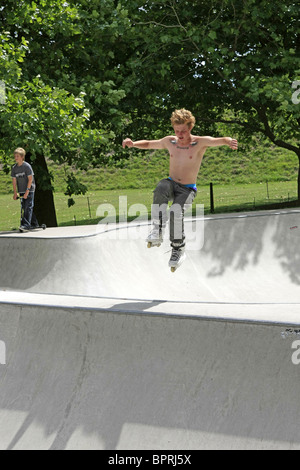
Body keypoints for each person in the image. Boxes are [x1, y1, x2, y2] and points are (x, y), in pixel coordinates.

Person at [122, 109, 238, 270]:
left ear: (190, 127)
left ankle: (178, 249)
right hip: (171, 184)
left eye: (183, 131)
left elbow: (218, 140)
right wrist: (133, 144)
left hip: (187, 190)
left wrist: (229, 141)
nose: (180, 135)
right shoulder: (170, 141)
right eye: (177, 131)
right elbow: (149, 143)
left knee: (175, 212)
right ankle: (158, 230)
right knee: (161, 186)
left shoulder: (199, 142)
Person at [11, 147, 39, 232]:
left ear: (22, 157)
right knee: (25, 207)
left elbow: (30, 179)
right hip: (21, 190)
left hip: (29, 189)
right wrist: (15, 193)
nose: (16, 158)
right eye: (15, 156)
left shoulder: (27, 166)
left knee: (28, 206)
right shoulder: (14, 168)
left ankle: (26, 225)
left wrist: (27, 191)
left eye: (17, 156)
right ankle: (34, 223)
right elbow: (14, 181)